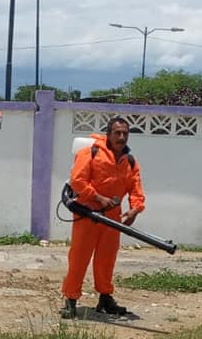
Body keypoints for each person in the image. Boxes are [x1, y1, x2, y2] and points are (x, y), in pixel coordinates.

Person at [61, 116, 146, 319]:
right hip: (88, 215)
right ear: (108, 134)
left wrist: (135, 209)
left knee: (106, 260)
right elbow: (77, 180)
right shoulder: (91, 153)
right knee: (79, 258)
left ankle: (105, 297)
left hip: (112, 217)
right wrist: (98, 198)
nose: (121, 137)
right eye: (117, 133)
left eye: (125, 133)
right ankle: (70, 299)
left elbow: (136, 189)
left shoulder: (130, 162)